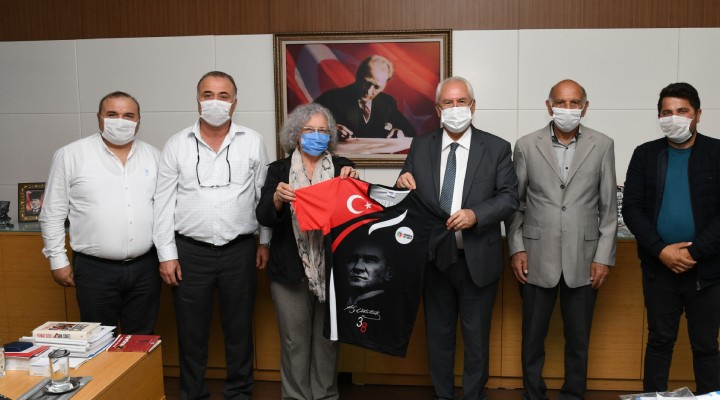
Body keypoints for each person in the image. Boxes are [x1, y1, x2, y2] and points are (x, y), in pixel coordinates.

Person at [396, 76, 519, 399]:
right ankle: (443, 395)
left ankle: (474, 396)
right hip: (433, 260)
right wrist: (401, 182)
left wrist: (476, 214)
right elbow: (406, 194)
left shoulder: (496, 148)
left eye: (461, 101)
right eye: (448, 103)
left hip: (476, 259)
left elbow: (509, 198)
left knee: (476, 339)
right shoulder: (420, 145)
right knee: (438, 337)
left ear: (473, 106)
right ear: (438, 110)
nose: (455, 108)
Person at [154, 71, 271, 400]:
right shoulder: (177, 144)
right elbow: (162, 204)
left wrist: (265, 242)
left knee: (239, 330)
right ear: (198, 101)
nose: (215, 102)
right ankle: (192, 394)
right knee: (191, 333)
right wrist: (166, 255)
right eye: (208, 95)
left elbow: (263, 197)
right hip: (190, 253)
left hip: (240, 251)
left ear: (234, 103)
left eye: (223, 96)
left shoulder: (252, 141)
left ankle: (239, 393)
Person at [506, 79, 617, 400]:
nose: (567, 109)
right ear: (549, 105)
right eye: (561, 102)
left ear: (585, 106)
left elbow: (608, 208)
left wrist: (603, 257)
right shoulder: (526, 145)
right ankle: (533, 395)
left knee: (578, 340)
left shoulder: (603, 144)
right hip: (535, 256)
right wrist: (517, 249)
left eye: (574, 103)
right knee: (532, 338)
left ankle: (573, 395)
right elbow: (515, 203)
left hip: (584, 258)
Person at [622, 82, 720, 395]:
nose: (673, 117)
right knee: (660, 341)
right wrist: (661, 250)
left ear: (697, 115)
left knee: (706, 344)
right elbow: (631, 208)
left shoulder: (717, 153)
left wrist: (695, 253)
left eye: (682, 111)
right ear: (659, 116)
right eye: (667, 112)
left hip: (707, 270)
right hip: (658, 267)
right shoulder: (645, 154)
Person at [256, 102, 357, 400]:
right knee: (294, 343)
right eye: (309, 130)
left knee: (328, 341)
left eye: (322, 130)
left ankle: (325, 396)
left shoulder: (342, 167)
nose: (316, 135)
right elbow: (263, 216)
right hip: (289, 269)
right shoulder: (278, 170)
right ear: (296, 134)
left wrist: (353, 185)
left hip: (333, 270)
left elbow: (356, 216)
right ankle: (295, 397)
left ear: (331, 135)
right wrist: (277, 199)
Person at [39, 91, 161, 334]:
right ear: (99, 118)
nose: (120, 121)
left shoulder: (155, 156)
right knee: (99, 341)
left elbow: (164, 209)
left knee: (141, 341)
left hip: (146, 268)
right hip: (95, 270)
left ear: (138, 121)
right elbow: (52, 212)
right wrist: (57, 260)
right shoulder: (71, 155)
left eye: (128, 115)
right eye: (112, 114)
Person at [314, 55, 415, 140]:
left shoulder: (387, 102)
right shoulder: (331, 99)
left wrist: (399, 132)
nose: (369, 91)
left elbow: (410, 131)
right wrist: (329, 130)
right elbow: (306, 125)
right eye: (367, 82)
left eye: (377, 87)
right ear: (358, 76)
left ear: (385, 85)